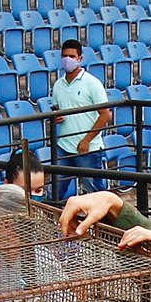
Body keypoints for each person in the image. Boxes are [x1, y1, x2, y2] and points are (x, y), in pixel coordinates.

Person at [49, 38, 112, 199]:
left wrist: (87, 140)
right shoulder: (58, 85)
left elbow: (105, 114)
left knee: (96, 193)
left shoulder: (92, 83)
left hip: (88, 149)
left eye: (71, 56)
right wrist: (57, 118)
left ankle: (104, 223)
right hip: (63, 145)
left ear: (80, 58)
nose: (67, 60)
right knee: (55, 191)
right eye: (64, 56)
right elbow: (57, 110)